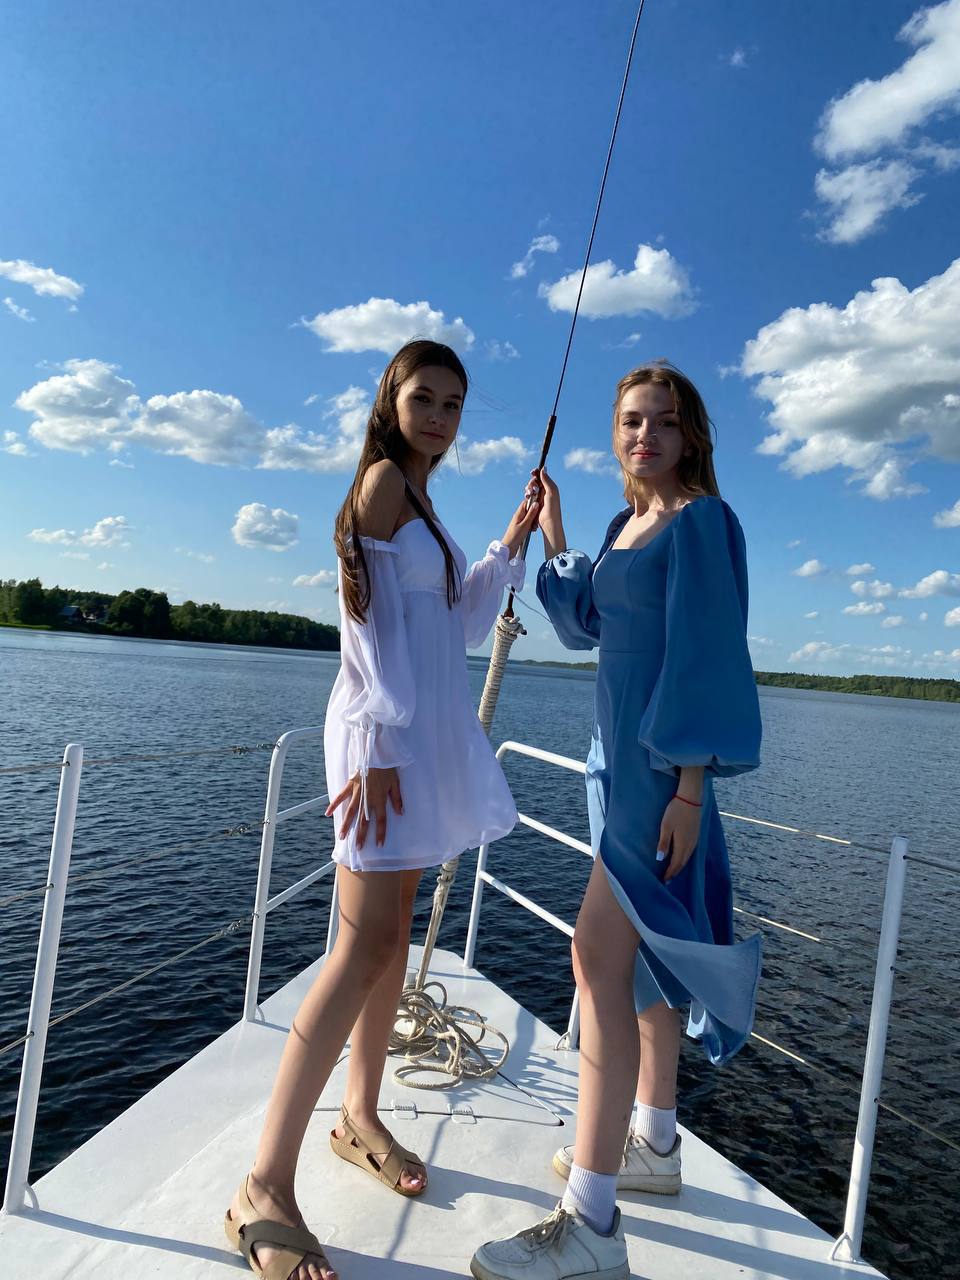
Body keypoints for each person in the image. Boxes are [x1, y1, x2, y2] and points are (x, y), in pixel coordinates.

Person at [225, 339, 542, 1280]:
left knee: (392, 938)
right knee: (358, 951)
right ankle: (262, 1187)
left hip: (414, 741)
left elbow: (453, 628)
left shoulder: (424, 505)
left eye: (453, 404)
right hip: (382, 746)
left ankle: (359, 1118)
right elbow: (362, 630)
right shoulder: (379, 485)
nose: (440, 417)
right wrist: (377, 749)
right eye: (424, 398)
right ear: (391, 402)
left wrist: (509, 545)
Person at [471, 361, 762, 1280]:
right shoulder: (623, 525)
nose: (646, 435)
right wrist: (555, 528)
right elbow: (584, 624)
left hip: (657, 774)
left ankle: (592, 1222)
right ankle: (657, 1144)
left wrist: (690, 789)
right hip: (613, 767)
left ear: (690, 435)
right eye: (633, 420)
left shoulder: (702, 522)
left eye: (664, 422)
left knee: (595, 958)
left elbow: (707, 658)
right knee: (634, 966)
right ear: (616, 432)